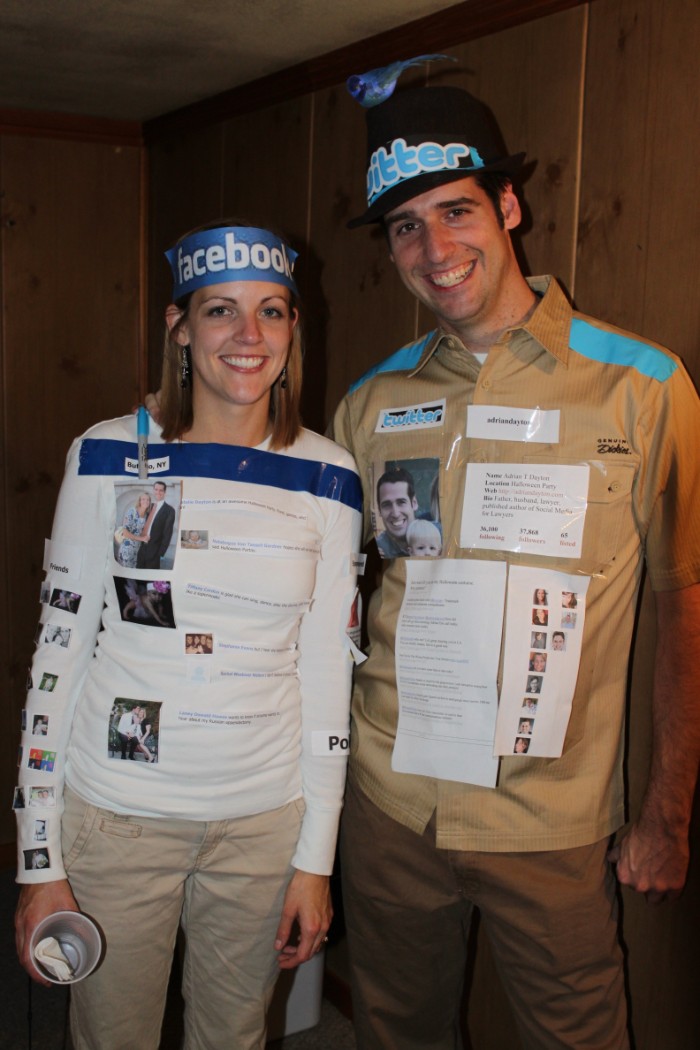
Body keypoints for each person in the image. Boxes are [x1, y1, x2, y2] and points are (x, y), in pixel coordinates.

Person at [330, 86, 700, 1049]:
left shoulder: (646, 388)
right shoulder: (369, 406)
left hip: (553, 823)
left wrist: (667, 811)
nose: (434, 248)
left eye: (456, 210)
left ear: (509, 207)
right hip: (391, 809)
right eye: (405, 228)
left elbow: (684, 602)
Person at [15, 220, 362, 1050]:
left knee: (235, 1036)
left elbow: (327, 678)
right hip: (119, 819)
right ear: (179, 327)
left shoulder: (330, 473)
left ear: (293, 330)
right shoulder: (105, 455)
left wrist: (315, 860)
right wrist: (38, 862)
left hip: (262, 825)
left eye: (272, 312)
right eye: (221, 312)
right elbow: (54, 661)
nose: (249, 337)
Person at [375, 466, 418, 556]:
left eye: (401, 502)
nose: (395, 513)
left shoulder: (439, 537)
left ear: (414, 503)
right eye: (386, 505)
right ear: (379, 510)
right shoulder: (375, 550)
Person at [136, 480, 175, 569]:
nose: (158, 492)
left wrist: (160, 554)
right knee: (138, 574)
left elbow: (167, 534)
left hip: (154, 551)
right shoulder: (149, 506)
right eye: (156, 489)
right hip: (141, 547)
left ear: (164, 492)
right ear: (153, 490)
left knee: (150, 579)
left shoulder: (169, 511)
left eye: (161, 490)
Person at [116, 491, 151, 567]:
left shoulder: (146, 515)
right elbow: (125, 532)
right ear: (139, 501)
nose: (146, 501)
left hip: (137, 550)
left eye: (148, 499)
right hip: (127, 548)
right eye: (143, 499)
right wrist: (141, 539)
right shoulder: (132, 511)